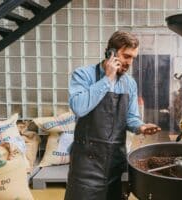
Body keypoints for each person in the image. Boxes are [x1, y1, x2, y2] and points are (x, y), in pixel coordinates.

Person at [64, 31, 161, 200]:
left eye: (133, 58)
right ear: (111, 53)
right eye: (126, 56)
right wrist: (107, 79)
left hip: (115, 162)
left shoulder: (129, 83)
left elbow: (131, 117)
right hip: (87, 162)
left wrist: (141, 126)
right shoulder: (83, 75)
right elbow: (79, 108)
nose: (129, 62)